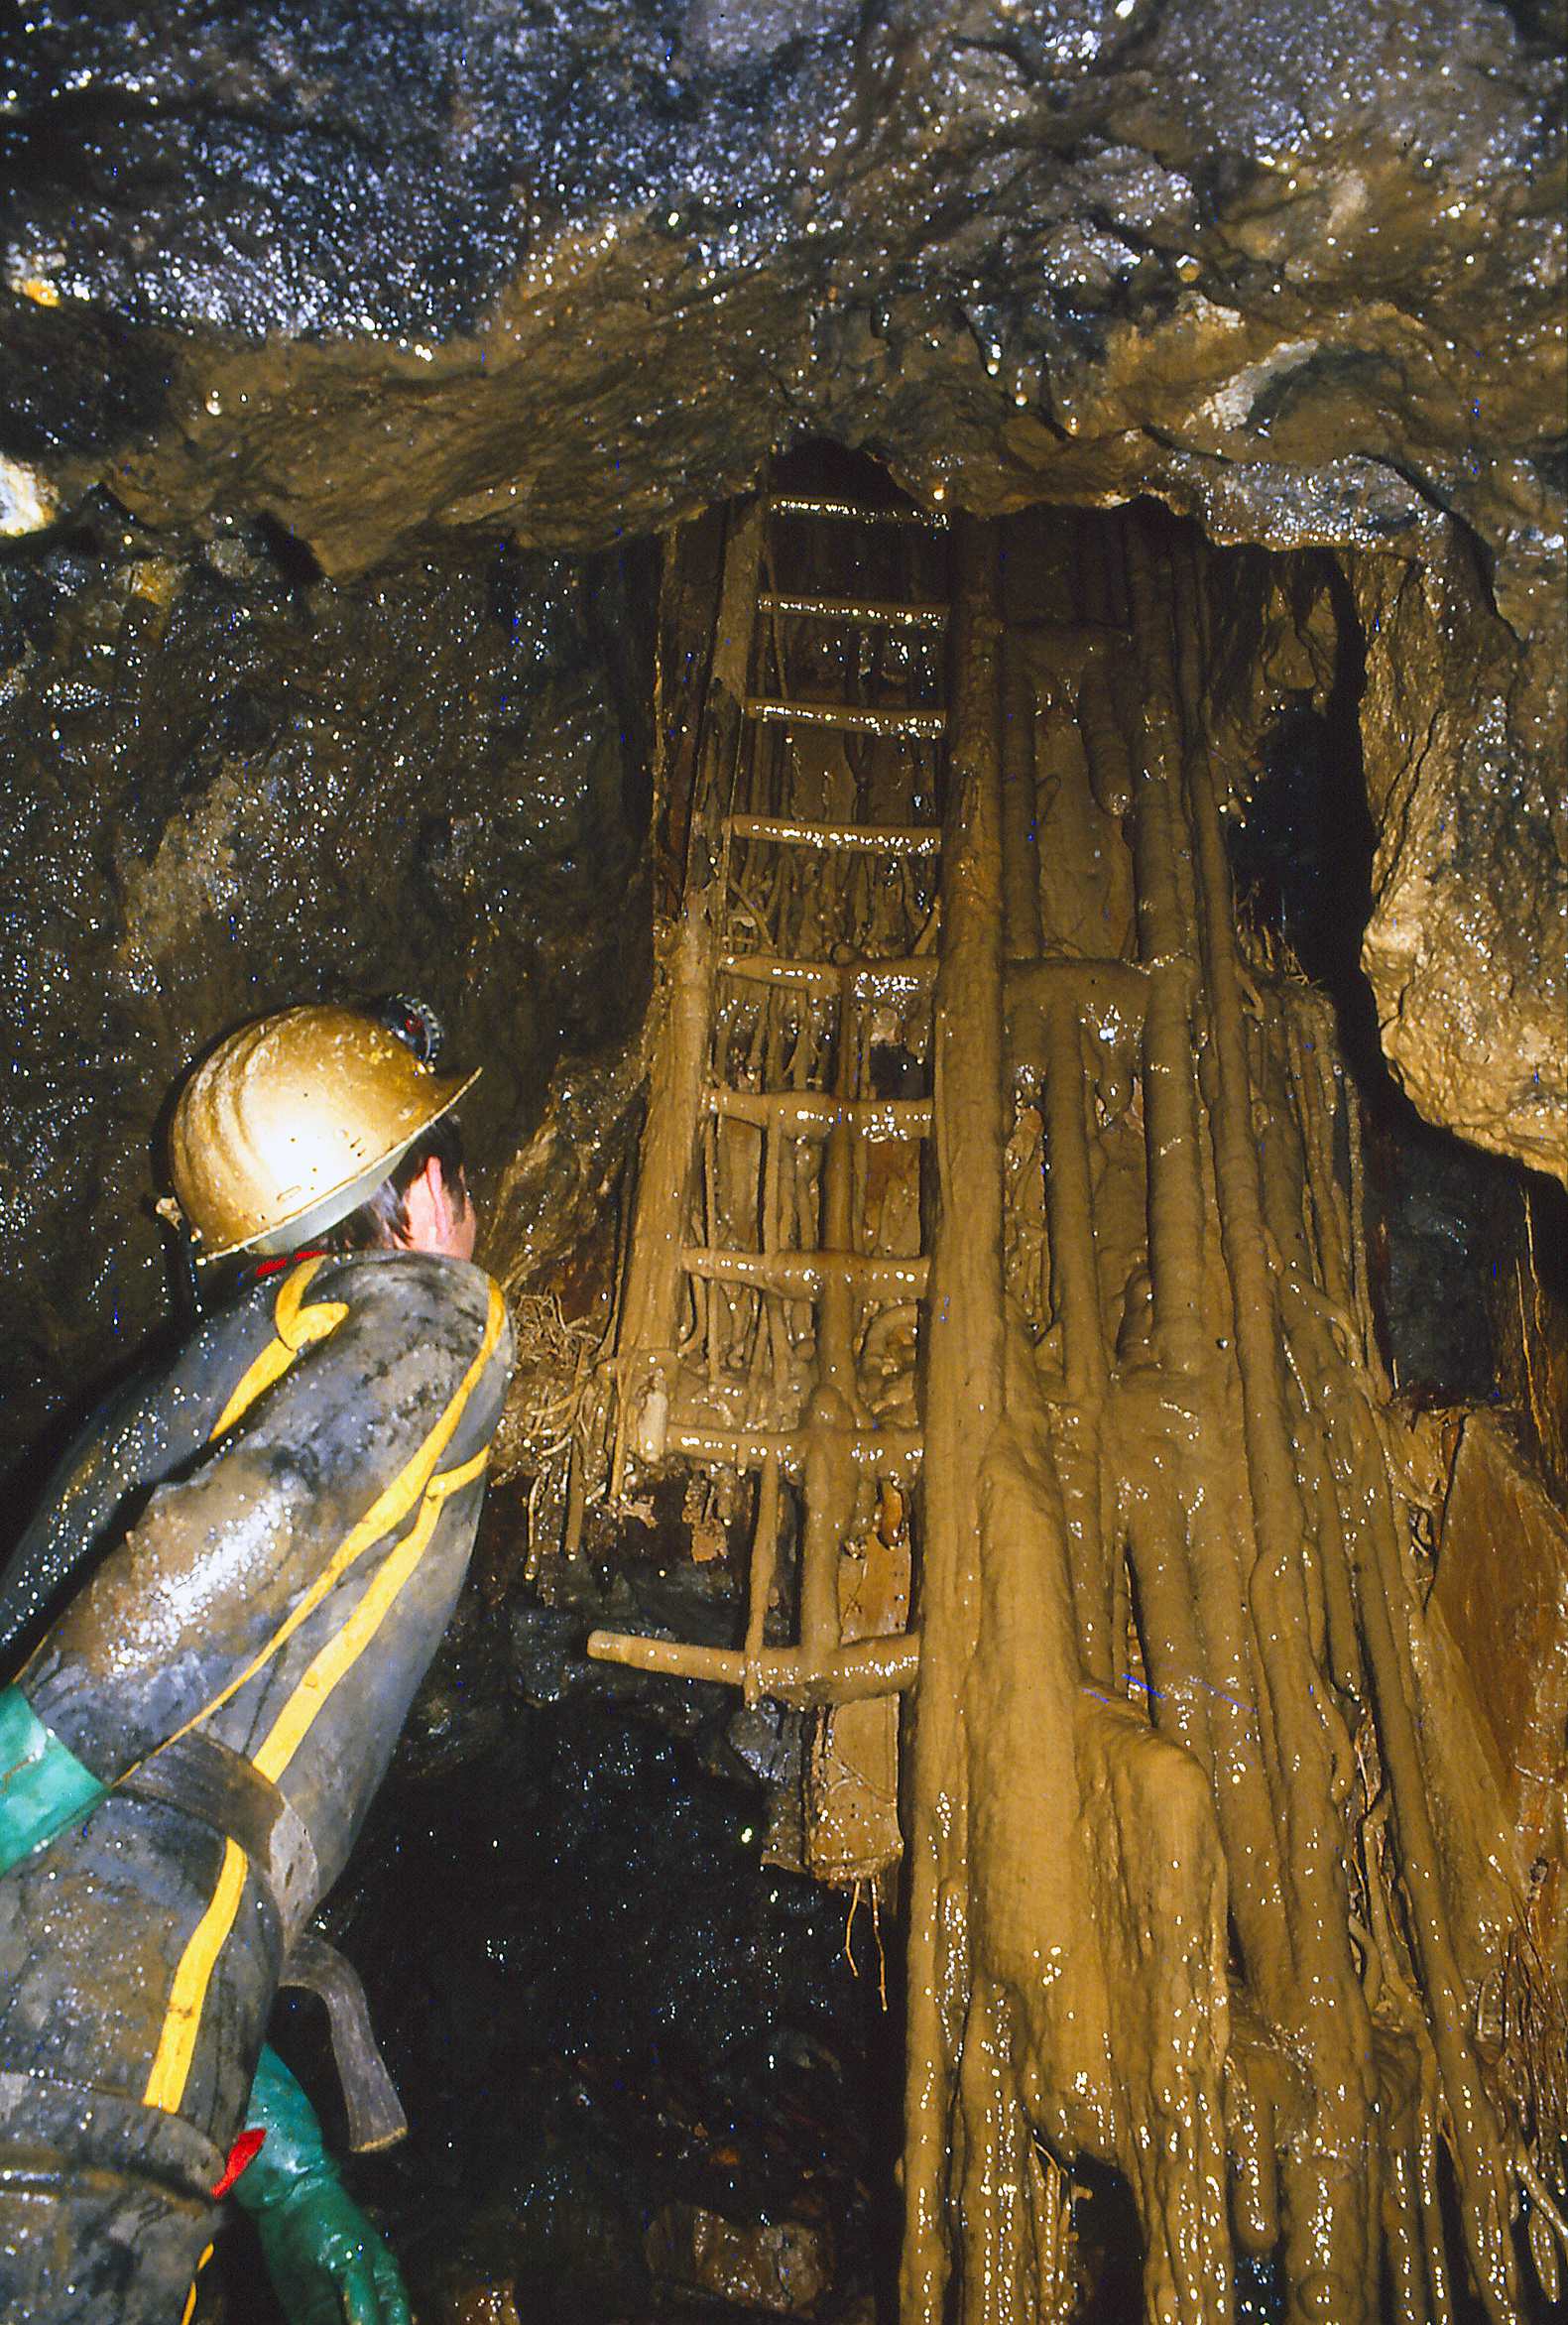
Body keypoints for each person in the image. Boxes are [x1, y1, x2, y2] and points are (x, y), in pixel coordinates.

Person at [0, 1000, 515, 2324]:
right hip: (103, 1978)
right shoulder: (435, 1314)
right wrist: (23, 1773)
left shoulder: (181, 1395)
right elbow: (241, 1548)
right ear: (423, 1193)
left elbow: (145, 1852)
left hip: (104, 1970)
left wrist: (290, 2177)